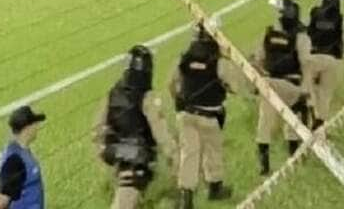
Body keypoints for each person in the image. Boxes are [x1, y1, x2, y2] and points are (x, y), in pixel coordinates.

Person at [170, 23, 244, 208]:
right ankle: (215, 188)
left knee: (189, 154)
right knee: (213, 152)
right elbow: (236, 87)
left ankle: (186, 198)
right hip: (210, 117)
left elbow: (171, 83)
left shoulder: (184, 58)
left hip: (186, 115)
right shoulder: (219, 62)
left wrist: (178, 102)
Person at [95, 46, 177, 209]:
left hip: (115, 153)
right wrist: (174, 158)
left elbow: (98, 127)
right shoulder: (147, 98)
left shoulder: (113, 93)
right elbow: (161, 133)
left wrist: (103, 151)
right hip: (138, 158)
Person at [253, 0, 311, 175]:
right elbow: (306, 64)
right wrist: (305, 91)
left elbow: (258, 59)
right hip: (290, 85)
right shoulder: (300, 37)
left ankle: (264, 165)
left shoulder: (268, 34)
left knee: (265, 122)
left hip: (269, 84)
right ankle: (295, 155)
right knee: (297, 113)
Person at [307, 0, 344, 129]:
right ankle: (319, 129)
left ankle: (311, 120)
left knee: (309, 93)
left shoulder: (313, 17)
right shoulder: (342, 24)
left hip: (312, 61)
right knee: (324, 98)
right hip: (331, 63)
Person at [0, 105, 46, 209]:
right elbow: (1, 201)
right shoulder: (15, 161)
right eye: (35, 124)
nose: (37, 127)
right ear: (27, 128)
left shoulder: (16, 152)